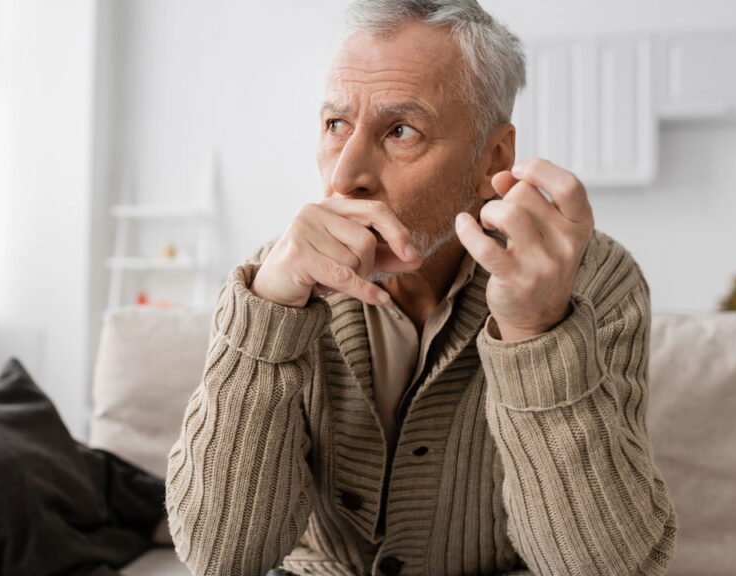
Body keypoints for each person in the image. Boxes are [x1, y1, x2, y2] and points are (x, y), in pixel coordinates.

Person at [166, 1, 677, 574]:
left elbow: (607, 568)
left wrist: (537, 333)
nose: (344, 175)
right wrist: (268, 318)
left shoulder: (591, 279)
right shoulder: (276, 281)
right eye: (336, 125)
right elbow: (220, 557)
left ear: (495, 156)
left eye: (400, 130)